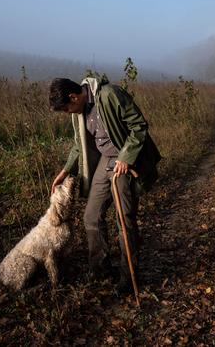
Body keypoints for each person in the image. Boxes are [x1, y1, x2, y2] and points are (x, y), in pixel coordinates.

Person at [49, 76, 161, 293]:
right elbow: (78, 145)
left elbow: (138, 126)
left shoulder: (110, 95)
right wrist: (64, 171)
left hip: (124, 160)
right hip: (105, 161)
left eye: (66, 109)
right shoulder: (80, 111)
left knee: (124, 218)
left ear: (73, 97)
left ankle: (128, 276)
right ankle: (100, 270)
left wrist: (126, 158)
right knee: (91, 216)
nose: (67, 113)